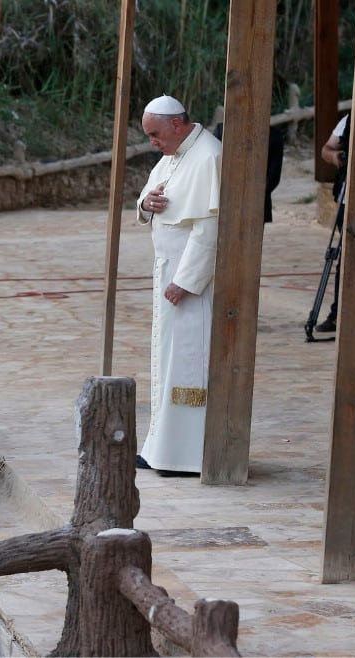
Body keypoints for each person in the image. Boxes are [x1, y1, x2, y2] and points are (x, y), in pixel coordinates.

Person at [134, 95, 222, 477]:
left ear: (176, 124)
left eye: (155, 134)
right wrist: (145, 203)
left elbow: (209, 228)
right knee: (166, 360)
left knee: (188, 361)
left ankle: (185, 456)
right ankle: (161, 448)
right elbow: (149, 195)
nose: (152, 143)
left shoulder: (207, 156)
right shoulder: (174, 153)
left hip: (190, 283)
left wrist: (186, 282)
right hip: (168, 274)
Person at [315, 112, 350, 333]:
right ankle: (338, 315)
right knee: (347, 258)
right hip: (351, 200)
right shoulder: (351, 118)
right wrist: (340, 158)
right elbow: (326, 150)